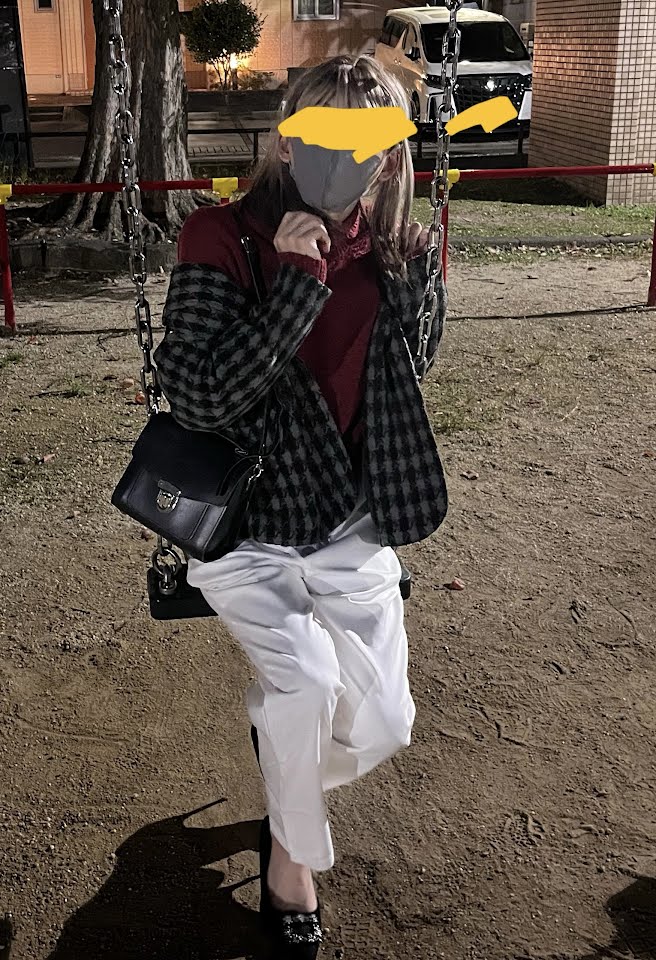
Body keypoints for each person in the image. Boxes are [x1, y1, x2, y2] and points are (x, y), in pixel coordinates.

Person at [153, 54, 448, 959]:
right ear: (287, 139)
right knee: (308, 686)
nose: (342, 155)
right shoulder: (222, 235)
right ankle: (290, 866)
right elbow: (200, 395)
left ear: (391, 154)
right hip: (246, 521)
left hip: (350, 518)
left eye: (367, 137)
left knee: (386, 723)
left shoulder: (396, 244)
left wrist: (412, 279)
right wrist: (292, 283)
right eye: (322, 131)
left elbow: (412, 370)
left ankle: (285, 756)